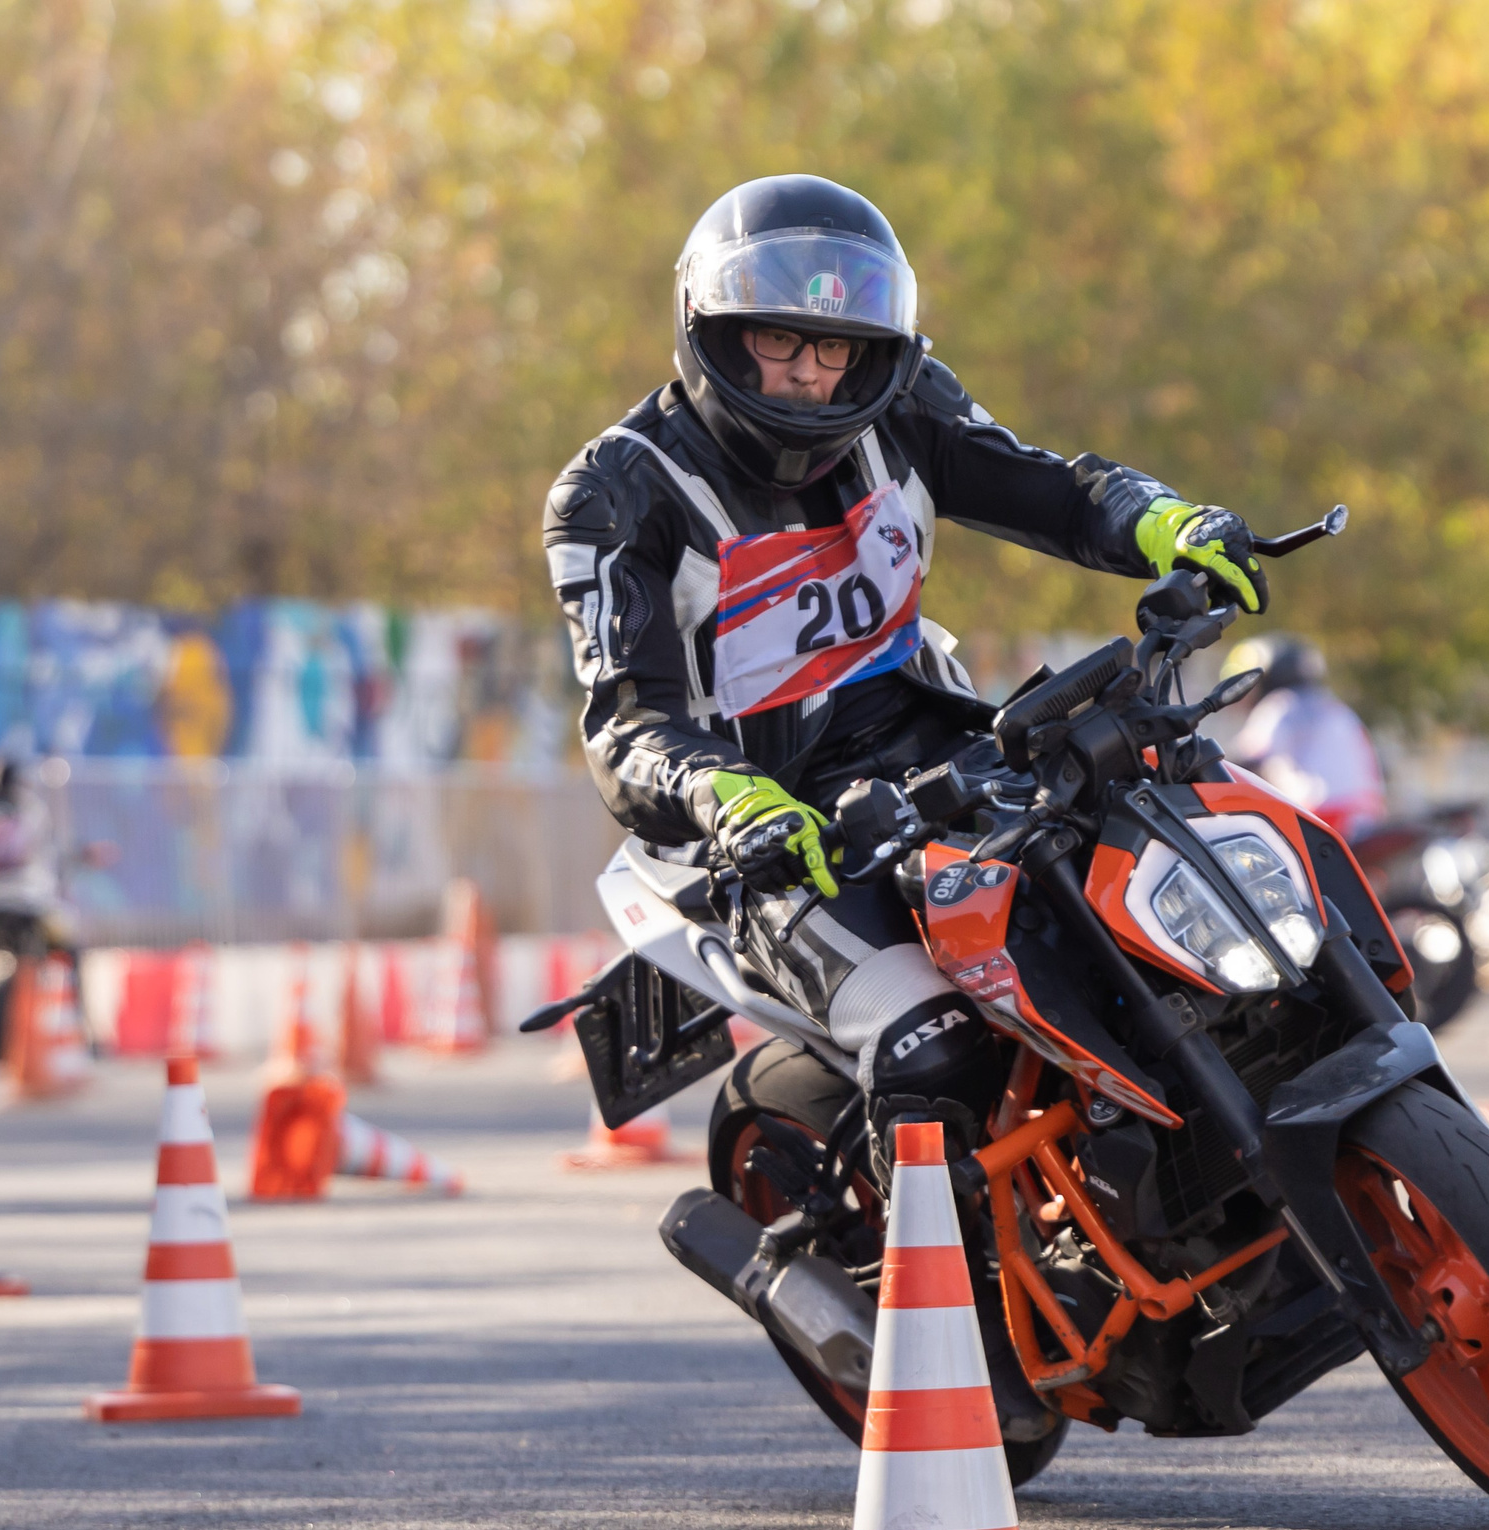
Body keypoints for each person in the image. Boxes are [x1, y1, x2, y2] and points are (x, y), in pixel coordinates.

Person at [545, 175, 1273, 1152]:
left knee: (1164, 937)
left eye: (835, 345)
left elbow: (1052, 490)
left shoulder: (905, 404)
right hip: (769, 836)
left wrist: (1162, 518)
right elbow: (624, 725)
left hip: (940, 755)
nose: (810, 373)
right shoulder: (612, 490)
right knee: (935, 1052)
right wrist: (731, 798)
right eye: (779, 340)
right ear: (711, 328)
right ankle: (939, 1278)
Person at [1218, 634, 1388, 842]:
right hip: (1367, 819)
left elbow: (1240, 760)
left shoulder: (1280, 706)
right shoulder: (1337, 708)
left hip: (1321, 818)